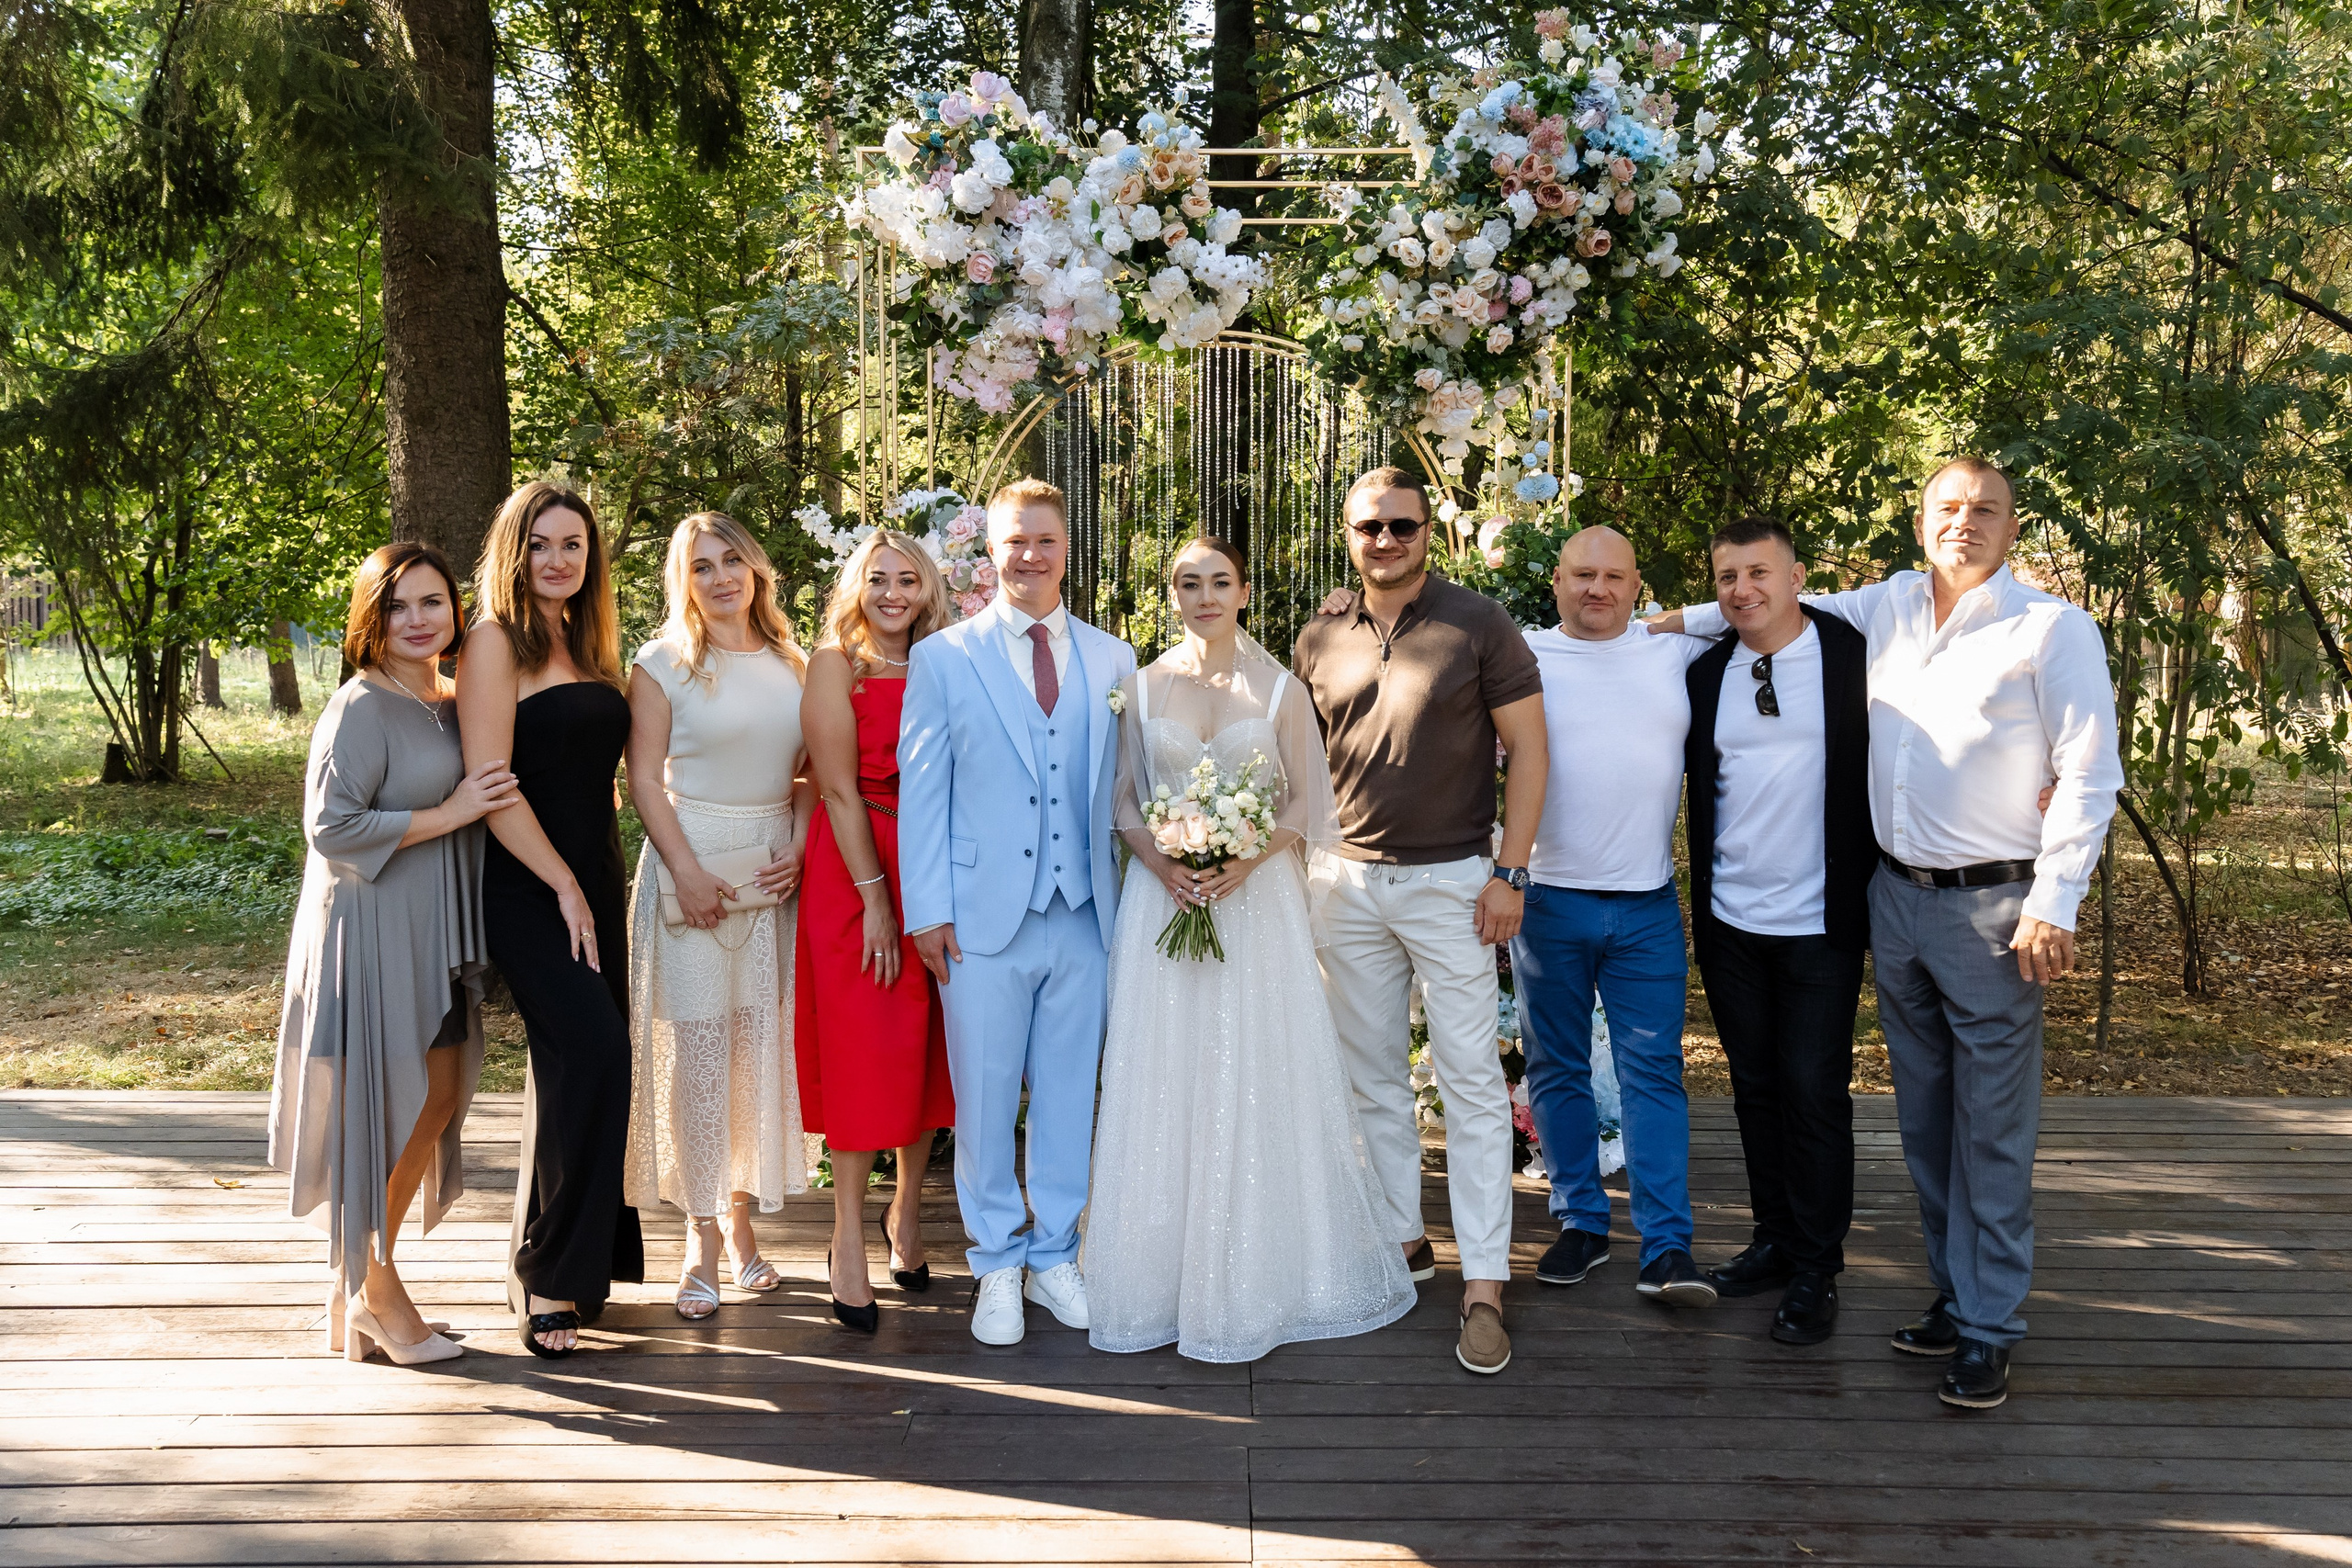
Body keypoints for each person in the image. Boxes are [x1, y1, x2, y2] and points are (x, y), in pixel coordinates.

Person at [1656, 457, 2121, 1409]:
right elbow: (1769, 602)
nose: (1964, 523)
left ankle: (1990, 1327)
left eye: (1984, 510)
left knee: (1990, 1128)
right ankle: (1955, 1298)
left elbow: (2087, 771)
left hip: (1995, 906)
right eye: (1948, 509)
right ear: (1921, 523)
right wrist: (1664, 622)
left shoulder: (2051, 629)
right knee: (1924, 1122)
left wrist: (2054, 899)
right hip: (1895, 902)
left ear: (2011, 526)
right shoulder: (1891, 607)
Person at [1088, 537, 1417, 1363]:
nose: (1204, 595)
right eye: (1188, 582)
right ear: (1172, 594)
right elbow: (1125, 801)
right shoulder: (1140, 685)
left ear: (1244, 591)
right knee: (1164, 1070)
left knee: (1253, 1065)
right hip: (1162, 900)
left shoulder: (1279, 688)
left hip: (1252, 901)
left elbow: (1306, 803)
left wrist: (1241, 858)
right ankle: (1157, 1274)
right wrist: (1166, 864)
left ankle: (1264, 1266)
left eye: (1219, 581)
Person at [1296, 467, 1548, 1376]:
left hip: (1454, 884)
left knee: (1472, 1084)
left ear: (1427, 533)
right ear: (1347, 532)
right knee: (1368, 1082)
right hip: (1344, 884)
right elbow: (1303, 760)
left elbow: (1529, 752)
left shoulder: (1478, 623)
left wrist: (1508, 872)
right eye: (1371, 527)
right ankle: (1399, 1239)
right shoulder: (1320, 632)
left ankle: (1484, 1279)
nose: (1387, 541)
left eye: (1403, 526)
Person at [899, 479, 1136, 1346]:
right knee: (987, 1094)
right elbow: (924, 795)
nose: (1028, 554)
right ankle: (995, 1261)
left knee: (1072, 1093)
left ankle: (1055, 1253)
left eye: (1043, 539)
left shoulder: (1115, 659)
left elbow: (1126, 790)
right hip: (979, 918)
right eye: (1012, 541)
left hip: (1083, 913)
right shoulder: (945, 658)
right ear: (988, 551)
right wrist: (927, 910)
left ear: (1067, 548)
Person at [270, 543, 517, 1365]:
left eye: (433, 603)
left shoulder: (448, 699)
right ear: (371, 620)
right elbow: (330, 827)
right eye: (399, 606)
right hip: (371, 930)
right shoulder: (361, 706)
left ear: (456, 611)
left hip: (432, 930)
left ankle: (358, 1288)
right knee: (399, 1105)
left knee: (437, 1095)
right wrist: (450, 813)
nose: (419, 620)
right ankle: (373, 1288)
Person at [458, 479, 645, 1359]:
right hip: (532, 887)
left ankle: (576, 1260)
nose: (558, 560)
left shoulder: (586, 637)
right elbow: (494, 787)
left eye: (573, 545)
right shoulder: (493, 641)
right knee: (593, 1052)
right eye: (541, 544)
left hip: (597, 878)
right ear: (514, 551)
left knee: (576, 1069)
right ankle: (550, 1275)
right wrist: (564, 885)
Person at [1510, 526, 1716, 1311]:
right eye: (1582, 574)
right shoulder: (1520, 653)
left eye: (1614, 577)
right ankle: (1582, 1222)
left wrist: (1681, 617)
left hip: (1647, 904)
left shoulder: (1675, 650)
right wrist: (1348, 602)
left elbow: (1772, 604)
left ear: (1638, 586)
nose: (1597, 588)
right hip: (1548, 899)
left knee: (1653, 1073)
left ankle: (1668, 1246)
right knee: (1556, 1066)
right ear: (1556, 580)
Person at [1679, 517, 1872, 1346]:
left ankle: (1817, 1266)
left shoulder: (1855, 655)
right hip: (1731, 922)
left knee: (1814, 1090)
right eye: (1726, 577)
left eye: (1759, 572)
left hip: (1821, 922)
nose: (1742, 590)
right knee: (1755, 1086)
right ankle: (1772, 1237)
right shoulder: (1705, 670)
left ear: (1799, 577)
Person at [621, 513, 814, 1323]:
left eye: (733, 559)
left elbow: (811, 777)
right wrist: (687, 870)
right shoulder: (662, 664)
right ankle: (697, 1239)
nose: (722, 577)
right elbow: (643, 780)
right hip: (690, 864)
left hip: (772, 871)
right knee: (695, 1053)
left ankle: (740, 1226)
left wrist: (799, 849)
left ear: (757, 569)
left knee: (751, 1052)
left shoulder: (796, 663)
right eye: (702, 566)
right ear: (684, 580)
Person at [797, 528, 957, 1334]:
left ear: (929, 589)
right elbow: (834, 788)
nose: (893, 593)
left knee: (927, 1048)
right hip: (857, 870)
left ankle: (905, 1214)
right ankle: (845, 1238)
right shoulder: (836, 666)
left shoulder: (946, 661)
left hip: (932, 864)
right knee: (865, 1053)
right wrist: (878, 902)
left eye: (908, 580)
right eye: (878, 579)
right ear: (856, 588)